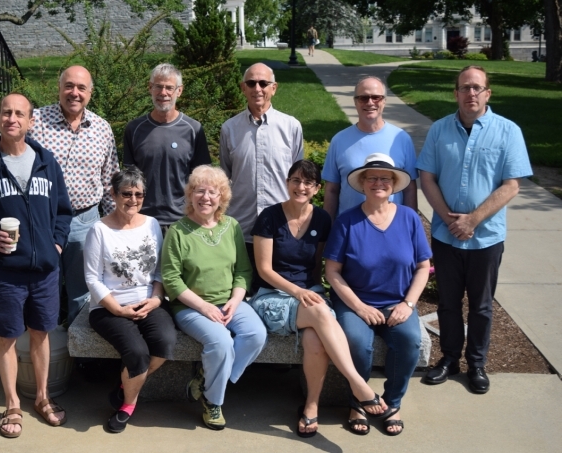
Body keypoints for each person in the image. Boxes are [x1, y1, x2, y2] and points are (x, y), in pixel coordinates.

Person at [0, 93, 72, 438]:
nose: (12, 118)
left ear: (31, 121)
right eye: (6, 112)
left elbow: (63, 211)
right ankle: (12, 403)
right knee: (6, 336)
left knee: (41, 333)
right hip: (5, 273)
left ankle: (43, 397)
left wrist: (58, 244)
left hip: (46, 272)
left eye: (20, 113)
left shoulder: (47, 162)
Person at [250, 160, 388, 438]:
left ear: (316, 189)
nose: (301, 187)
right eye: (296, 181)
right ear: (287, 183)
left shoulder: (323, 219)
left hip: (308, 297)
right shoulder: (269, 216)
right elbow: (264, 269)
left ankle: (311, 406)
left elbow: (320, 267)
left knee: (316, 341)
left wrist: (309, 292)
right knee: (323, 314)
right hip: (272, 296)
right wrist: (298, 292)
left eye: (308, 183)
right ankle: (359, 384)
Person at [417, 65, 532, 394]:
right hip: (446, 235)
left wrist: (473, 219)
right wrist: (451, 220)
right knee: (448, 303)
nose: (471, 93)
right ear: (455, 93)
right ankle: (450, 359)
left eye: (477, 88)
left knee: (481, 305)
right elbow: (427, 177)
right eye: (465, 88)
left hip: (486, 238)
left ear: (487, 94)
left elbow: (511, 186)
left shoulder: (508, 131)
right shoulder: (439, 130)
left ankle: (476, 364)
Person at [323, 153, 431, 436]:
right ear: (363, 183)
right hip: (354, 301)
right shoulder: (347, 221)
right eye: (372, 177)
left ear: (395, 184)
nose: (379, 183)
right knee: (358, 342)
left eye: (385, 178)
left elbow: (423, 267)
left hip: (397, 302)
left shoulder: (409, 218)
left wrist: (408, 304)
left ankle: (392, 403)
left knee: (409, 340)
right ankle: (359, 401)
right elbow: (332, 272)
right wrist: (358, 307)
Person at [161, 165, 267, 431]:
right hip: (190, 307)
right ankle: (213, 400)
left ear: (222, 198)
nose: (206, 198)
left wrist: (235, 299)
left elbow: (243, 270)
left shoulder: (231, 227)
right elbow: (171, 280)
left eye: (213, 192)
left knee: (256, 334)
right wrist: (204, 306)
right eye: (199, 191)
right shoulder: (177, 232)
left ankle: (206, 380)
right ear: (190, 195)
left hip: (230, 302)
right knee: (220, 343)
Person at [84, 167, 177, 433]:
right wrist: (119, 309)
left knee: (165, 342)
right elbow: (92, 279)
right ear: (113, 194)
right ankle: (128, 405)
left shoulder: (151, 224)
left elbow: (159, 270)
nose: (133, 200)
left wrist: (157, 300)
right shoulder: (99, 230)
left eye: (139, 194)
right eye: (126, 193)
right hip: (108, 306)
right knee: (137, 353)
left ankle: (126, 385)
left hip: (148, 301)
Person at [29, 65, 120, 326]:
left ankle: (79, 355)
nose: (74, 93)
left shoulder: (101, 128)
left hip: (85, 220)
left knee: (83, 291)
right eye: (69, 86)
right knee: (44, 288)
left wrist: (113, 225)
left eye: (81, 88)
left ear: (90, 93)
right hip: (43, 221)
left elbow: (109, 179)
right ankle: (47, 351)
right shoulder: (35, 122)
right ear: (59, 89)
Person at [220, 62, 304, 289]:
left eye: (263, 83)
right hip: (242, 228)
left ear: (274, 88)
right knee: (242, 292)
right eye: (251, 83)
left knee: (281, 293)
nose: (257, 88)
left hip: (281, 229)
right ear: (243, 88)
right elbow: (225, 180)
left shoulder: (291, 127)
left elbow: (300, 182)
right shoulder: (229, 129)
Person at [124, 63, 211, 234]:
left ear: (179, 91)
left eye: (169, 88)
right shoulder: (134, 129)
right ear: (150, 88)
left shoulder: (193, 129)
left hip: (183, 221)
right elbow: (129, 180)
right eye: (158, 87)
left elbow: (202, 179)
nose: (163, 93)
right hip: (143, 220)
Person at [322, 76, 418, 221]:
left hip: (392, 227)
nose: (370, 102)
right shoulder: (339, 140)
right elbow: (331, 190)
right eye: (363, 98)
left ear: (384, 101)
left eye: (376, 97)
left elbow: (410, 188)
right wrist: (327, 229)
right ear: (355, 102)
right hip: (349, 230)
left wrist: (411, 226)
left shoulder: (401, 139)